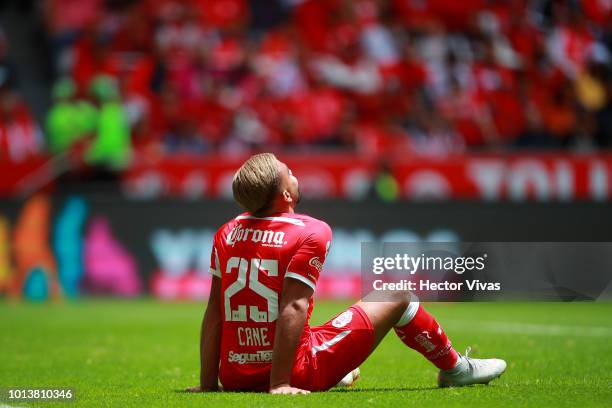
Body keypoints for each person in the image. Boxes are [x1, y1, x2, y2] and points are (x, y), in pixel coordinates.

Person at [186, 153, 506, 394]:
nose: (295, 176)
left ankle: (339, 372)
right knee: (397, 297)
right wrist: (281, 384)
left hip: (235, 376)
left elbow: (215, 310)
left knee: (317, 331)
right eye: (290, 174)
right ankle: (456, 369)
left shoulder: (226, 232)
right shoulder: (311, 231)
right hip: (292, 371)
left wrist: (208, 385)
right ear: (285, 196)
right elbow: (293, 307)